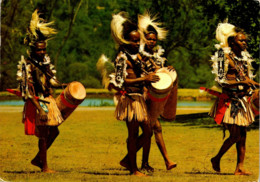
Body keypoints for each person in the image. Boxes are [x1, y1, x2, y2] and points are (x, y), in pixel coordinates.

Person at [120, 12, 177, 172]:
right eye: (148, 39)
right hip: (137, 97)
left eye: (154, 39)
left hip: (147, 98)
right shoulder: (130, 56)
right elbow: (125, 79)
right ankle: (138, 164)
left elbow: (154, 71)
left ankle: (138, 162)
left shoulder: (146, 56)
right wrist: (144, 81)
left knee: (150, 129)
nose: (151, 41)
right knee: (148, 129)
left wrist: (167, 70)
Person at [109, 12, 159, 176]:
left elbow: (149, 69)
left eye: (139, 40)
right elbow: (121, 82)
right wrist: (145, 78)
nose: (138, 43)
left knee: (148, 131)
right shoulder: (122, 58)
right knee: (133, 134)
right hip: (130, 99)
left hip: (139, 98)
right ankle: (133, 169)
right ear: (125, 41)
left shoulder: (137, 55)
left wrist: (162, 72)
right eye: (134, 40)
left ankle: (128, 161)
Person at [209, 22, 260, 175]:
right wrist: (242, 82)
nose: (245, 43)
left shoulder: (244, 58)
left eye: (245, 40)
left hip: (243, 100)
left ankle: (240, 167)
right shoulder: (221, 55)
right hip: (229, 101)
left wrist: (252, 85)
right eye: (241, 40)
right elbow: (220, 81)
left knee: (243, 135)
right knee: (236, 135)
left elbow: (246, 78)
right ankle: (216, 158)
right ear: (231, 42)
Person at [17, 10, 64, 173]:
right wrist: (39, 109)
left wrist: (64, 85)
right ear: (32, 49)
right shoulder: (27, 66)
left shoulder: (45, 63)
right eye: (39, 50)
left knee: (55, 131)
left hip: (47, 99)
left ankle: (38, 159)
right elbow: (27, 92)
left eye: (43, 49)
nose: (42, 52)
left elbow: (49, 82)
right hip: (38, 102)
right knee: (44, 134)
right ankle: (44, 167)